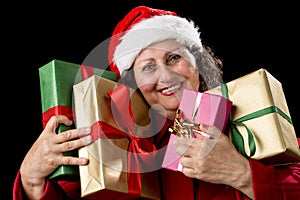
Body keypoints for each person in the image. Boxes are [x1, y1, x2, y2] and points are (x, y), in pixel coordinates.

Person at [13, 5, 300, 200]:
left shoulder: (250, 119)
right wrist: (30, 181)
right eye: (148, 67)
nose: (166, 75)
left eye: (174, 58)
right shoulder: (111, 150)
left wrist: (242, 174)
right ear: (132, 83)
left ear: (198, 64)